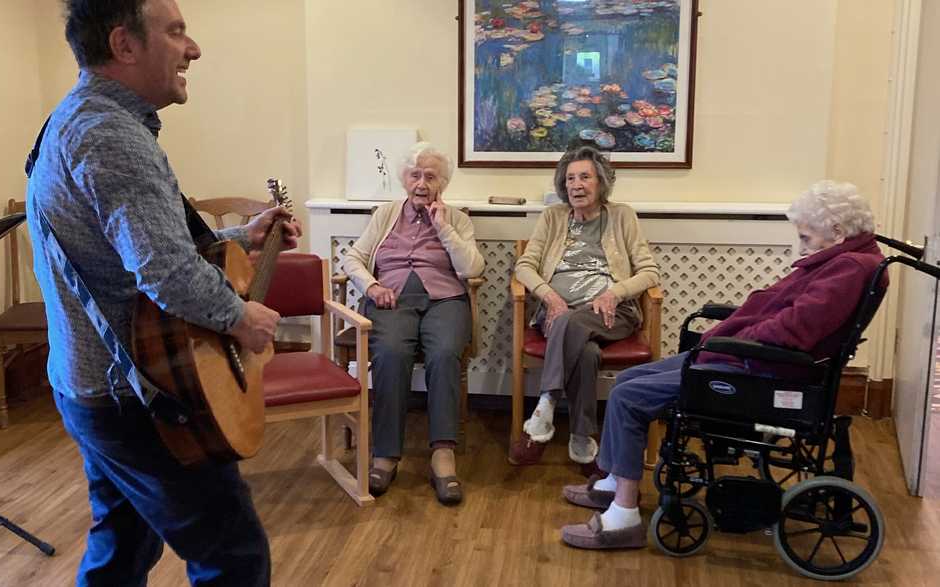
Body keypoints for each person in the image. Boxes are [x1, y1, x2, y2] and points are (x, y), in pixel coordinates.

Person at [26, 1, 300, 584]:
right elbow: (167, 273)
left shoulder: (80, 118)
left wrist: (238, 236)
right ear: (125, 45)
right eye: (176, 32)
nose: (193, 49)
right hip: (141, 397)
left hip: (94, 387)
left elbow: (133, 248)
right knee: (233, 557)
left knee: (121, 547)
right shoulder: (110, 135)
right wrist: (240, 317)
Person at [559, 180, 885, 550]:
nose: (801, 246)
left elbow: (794, 330)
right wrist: (728, 338)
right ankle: (614, 481)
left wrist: (736, 341)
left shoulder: (848, 271)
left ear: (838, 233)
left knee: (631, 396)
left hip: (763, 370)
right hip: (747, 357)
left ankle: (624, 516)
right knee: (631, 377)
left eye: (806, 238)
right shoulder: (847, 260)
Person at [341, 142, 485, 505]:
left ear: (443, 184)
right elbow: (354, 258)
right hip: (392, 298)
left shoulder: (457, 220)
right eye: (415, 175)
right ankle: (385, 454)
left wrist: (443, 229)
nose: (422, 183)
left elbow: (472, 269)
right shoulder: (385, 214)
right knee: (389, 353)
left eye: (430, 177)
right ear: (404, 179)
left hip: (446, 301)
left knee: (445, 353)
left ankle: (442, 452)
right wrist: (372, 286)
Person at [508, 145, 660, 472]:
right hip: (559, 313)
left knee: (570, 323)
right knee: (586, 350)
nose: (576, 184)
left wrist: (615, 293)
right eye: (570, 178)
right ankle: (581, 437)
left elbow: (650, 272)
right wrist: (550, 297)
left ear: (601, 182)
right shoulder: (552, 217)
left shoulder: (622, 216)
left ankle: (547, 402)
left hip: (611, 314)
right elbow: (524, 267)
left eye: (585, 177)